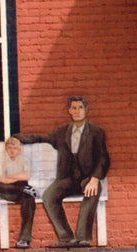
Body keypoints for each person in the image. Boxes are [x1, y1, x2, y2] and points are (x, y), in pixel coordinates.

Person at [15, 96, 110, 248]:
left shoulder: (96, 132)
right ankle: (66, 238)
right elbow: (43, 138)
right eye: (74, 108)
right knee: (49, 196)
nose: (77, 111)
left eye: (80, 107)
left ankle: (83, 238)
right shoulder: (62, 132)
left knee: (93, 190)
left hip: (88, 178)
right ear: (69, 111)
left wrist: (95, 179)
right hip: (68, 179)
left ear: (86, 110)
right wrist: (18, 139)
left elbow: (103, 159)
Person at [0, 137, 39, 249]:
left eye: (14, 148)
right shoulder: (5, 162)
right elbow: (3, 180)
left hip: (23, 188)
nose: (12, 150)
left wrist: (11, 177)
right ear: (6, 149)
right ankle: (25, 190)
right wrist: (15, 177)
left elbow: (26, 176)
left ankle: (24, 240)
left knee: (29, 202)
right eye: (9, 148)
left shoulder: (23, 160)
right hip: (11, 189)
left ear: (19, 150)